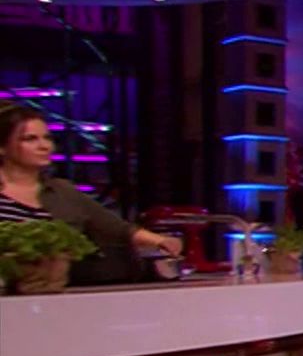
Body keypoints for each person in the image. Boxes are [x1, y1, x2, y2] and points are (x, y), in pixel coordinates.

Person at [0, 104, 182, 280]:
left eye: (47, 138)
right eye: (30, 139)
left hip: (55, 287)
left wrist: (161, 242)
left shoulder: (62, 191)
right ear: (2, 147)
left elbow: (117, 229)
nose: (45, 146)